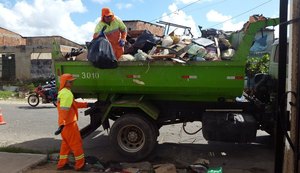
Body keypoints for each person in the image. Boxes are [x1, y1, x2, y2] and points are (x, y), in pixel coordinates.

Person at [56, 73, 93, 171]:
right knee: (76, 144)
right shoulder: (67, 94)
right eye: (70, 81)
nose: (72, 83)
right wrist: (63, 123)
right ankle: (80, 165)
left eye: (72, 81)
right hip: (68, 124)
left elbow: (74, 104)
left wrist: (87, 104)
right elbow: (65, 110)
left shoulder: (63, 92)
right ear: (65, 82)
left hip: (64, 124)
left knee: (66, 145)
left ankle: (62, 164)